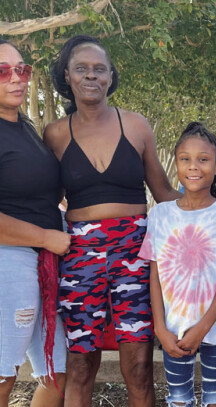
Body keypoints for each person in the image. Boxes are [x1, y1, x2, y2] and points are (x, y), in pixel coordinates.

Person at [44, 35, 181, 406]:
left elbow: (165, 192)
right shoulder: (55, 133)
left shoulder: (135, 125)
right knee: (80, 365)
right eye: (81, 69)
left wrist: (215, 209)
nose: (92, 76)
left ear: (110, 76)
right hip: (79, 253)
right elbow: (46, 200)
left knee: (138, 366)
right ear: (67, 77)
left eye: (99, 69)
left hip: (135, 252)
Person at [139, 122, 216, 407]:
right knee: (178, 399)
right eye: (185, 159)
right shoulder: (160, 215)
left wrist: (202, 328)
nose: (193, 166)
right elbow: (155, 276)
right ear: (176, 163)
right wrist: (160, 329)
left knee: (215, 399)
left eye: (203, 159)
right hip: (172, 332)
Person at [0, 39, 70, 407]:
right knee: (3, 375)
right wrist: (45, 235)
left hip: (43, 262)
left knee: (56, 372)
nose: (16, 78)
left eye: (22, 69)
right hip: (9, 260)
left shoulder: (24, 126)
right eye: (3, 71)